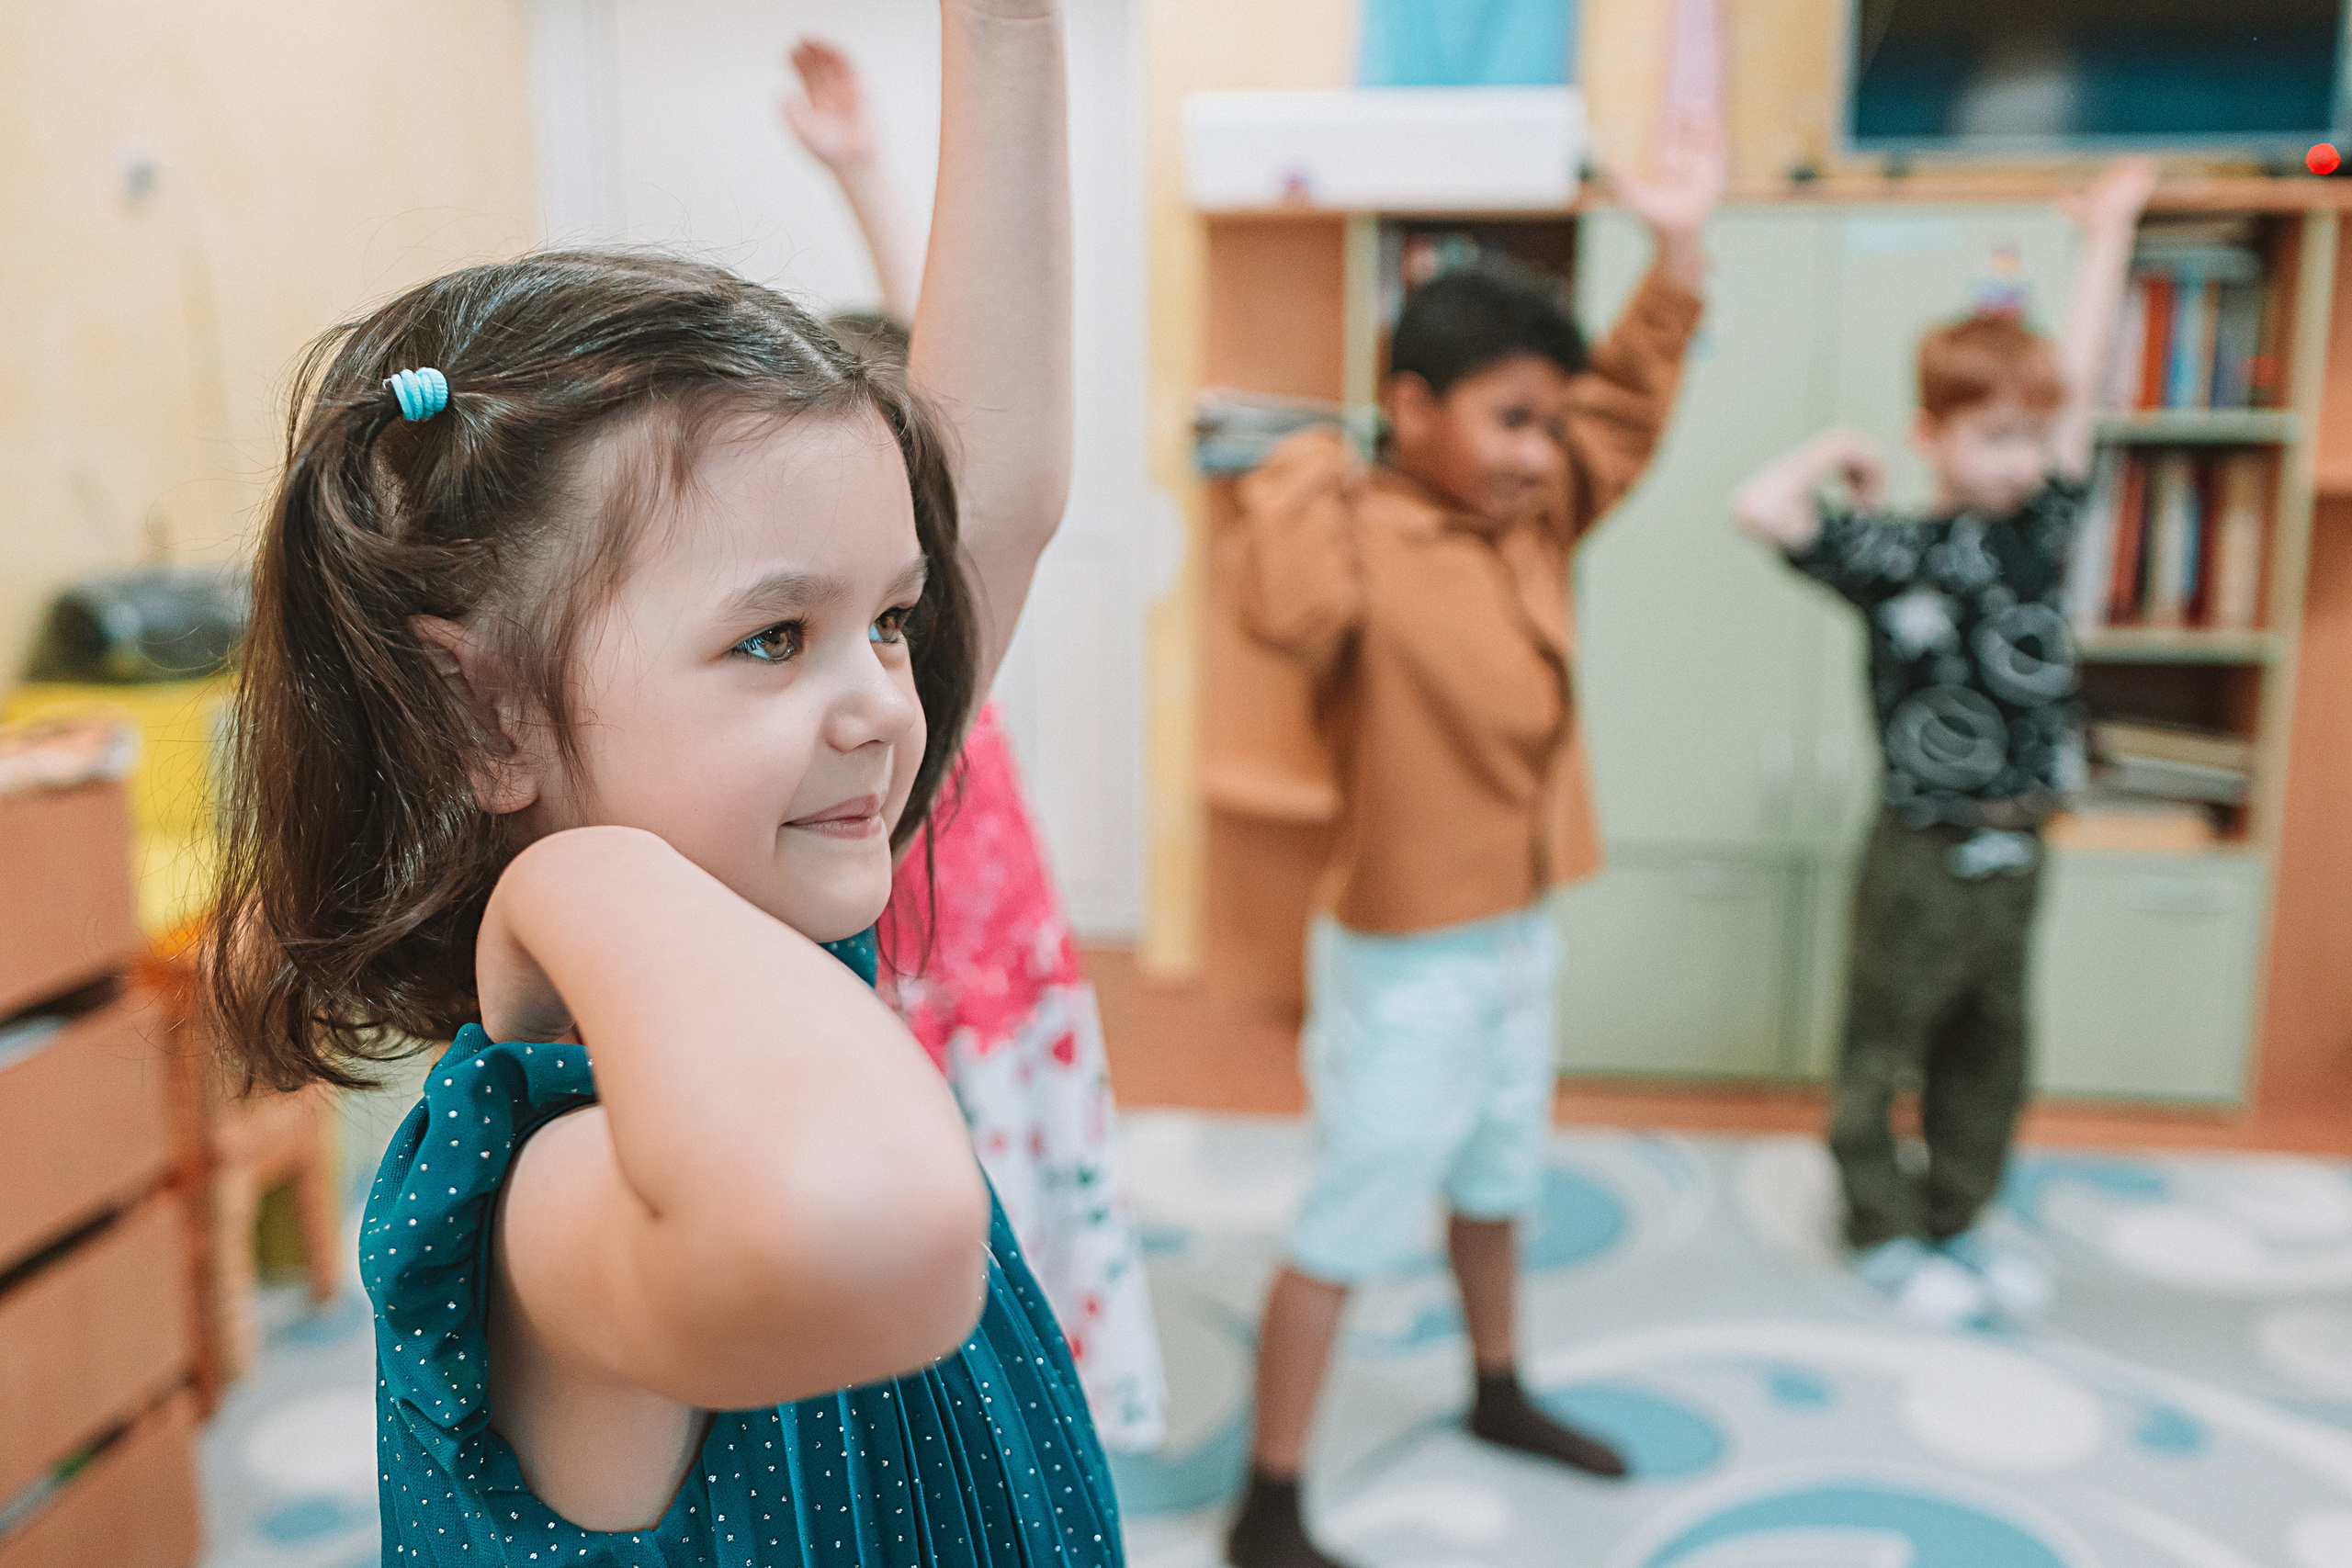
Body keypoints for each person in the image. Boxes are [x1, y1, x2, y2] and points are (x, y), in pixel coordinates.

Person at [202, 3, 1120, 1562]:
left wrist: (1012, 33)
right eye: (774, 637)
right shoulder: (553, 1191)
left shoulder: (786, 918)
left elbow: (1006, 498)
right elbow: (870, 1229)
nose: (886, 706)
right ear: (480, 717)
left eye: (888, 621)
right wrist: (581, 878)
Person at [1222, 109, 1724, 1568]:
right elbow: (1289, 614)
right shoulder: (1360, 533)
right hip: (1406, 947)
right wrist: (1314, 460)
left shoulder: (1532, 513)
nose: (1540, 450)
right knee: (1355, 1203)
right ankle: (1269, 1493)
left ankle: (1499, 1386)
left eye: (1548, 425)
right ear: (1415, 405)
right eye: (1512, 418)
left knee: (1501, 1168)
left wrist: (1678, 247)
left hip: (1513, 924)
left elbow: (1626, 401)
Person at [780, 34, 1169, 1450]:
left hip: (1009, 969)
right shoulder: (834, 708)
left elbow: (968, 421)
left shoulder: (927, 632)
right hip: (912, 998)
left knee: (1033, 1224)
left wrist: (871, 168)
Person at [1733, 159, 2155, 1329]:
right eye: (1990, 435)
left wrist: (2108, 233)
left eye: (2031, 436)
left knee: (1993, 1044)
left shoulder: (2045, 529)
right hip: (1921, 844)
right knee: (1886, 1040)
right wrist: (1838, 457)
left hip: (2020, 844)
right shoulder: (1893, 550)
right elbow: (1759, 508)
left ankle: (1961, 1216)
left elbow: (2081, 387)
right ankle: (1879, 1226)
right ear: (1932, 433)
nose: (2019, 457)